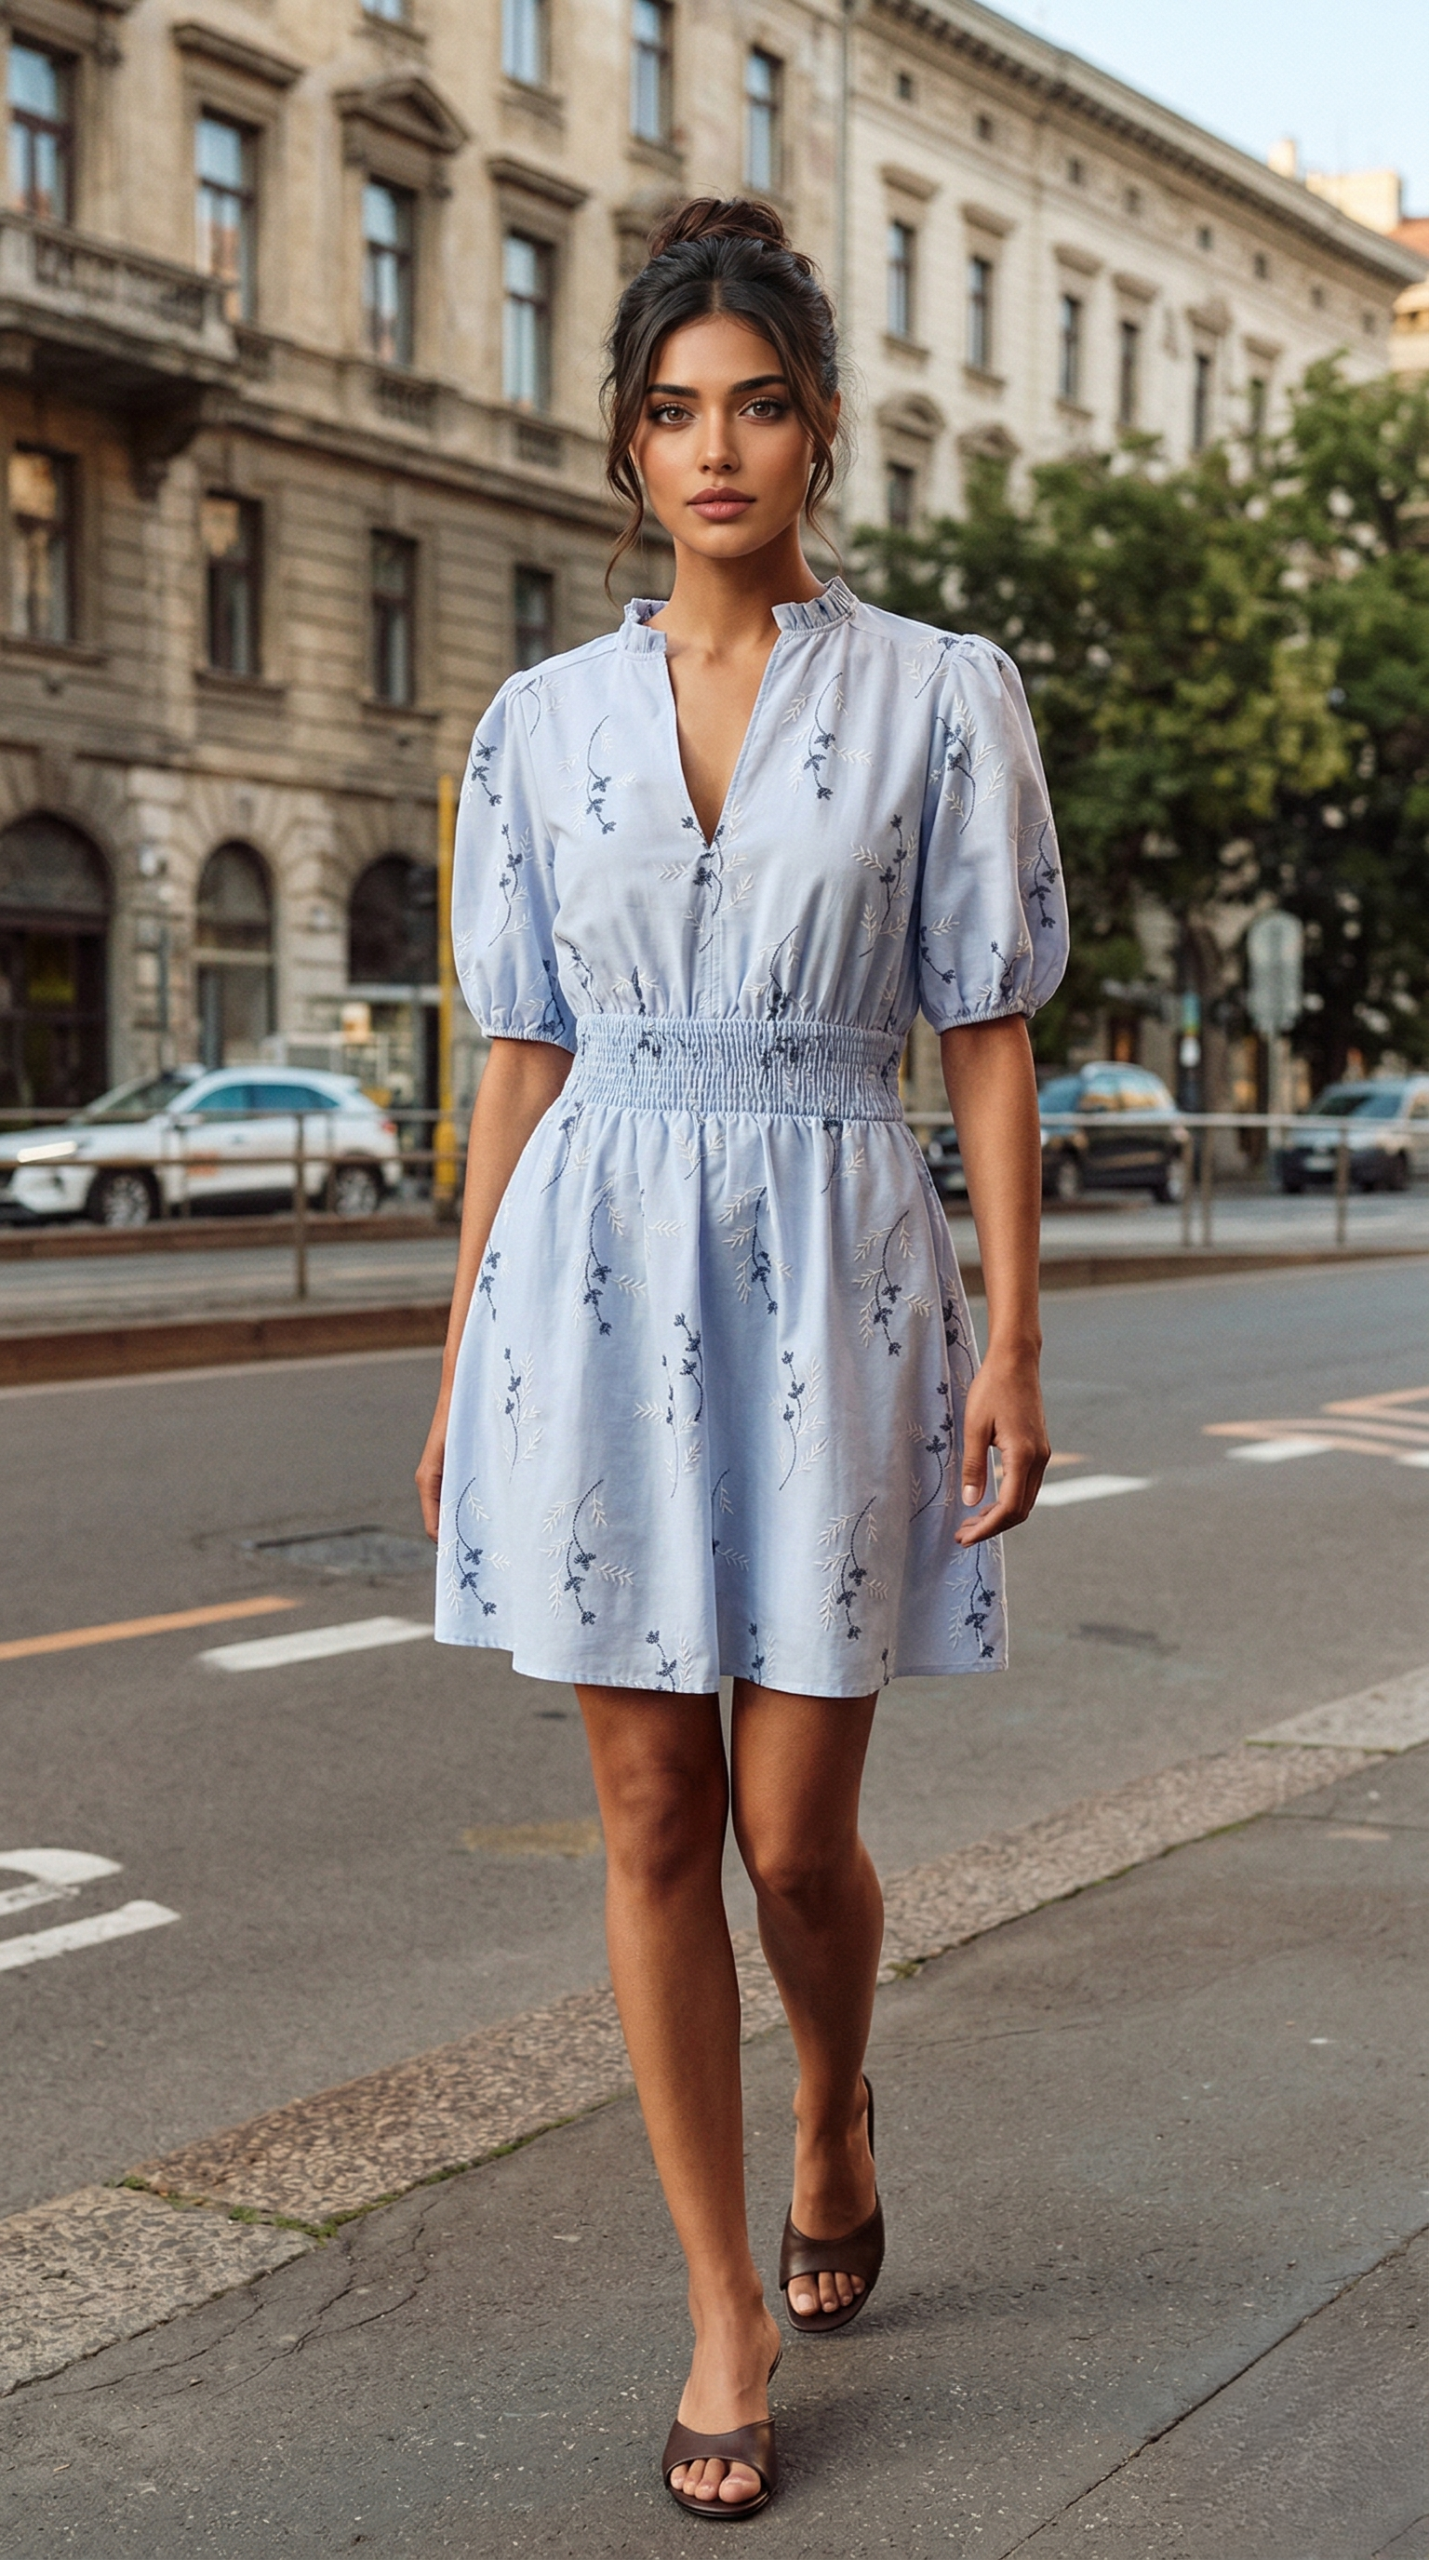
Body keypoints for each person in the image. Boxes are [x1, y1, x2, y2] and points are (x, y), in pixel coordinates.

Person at [416, 196, 1068, 2521]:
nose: (718, 449)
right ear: (624, 446)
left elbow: (980, 1030)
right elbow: (515, 1054)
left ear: (816, 431)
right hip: (588, 1265)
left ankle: (838, 2092)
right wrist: (460, 1336)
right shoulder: (532, 724)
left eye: (760, 405)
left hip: (835, 1235)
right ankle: (713, 2298)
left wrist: (1011, 1332)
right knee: (650, 1814)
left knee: (797, 1836)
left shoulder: (935, 693)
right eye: (676, 411)